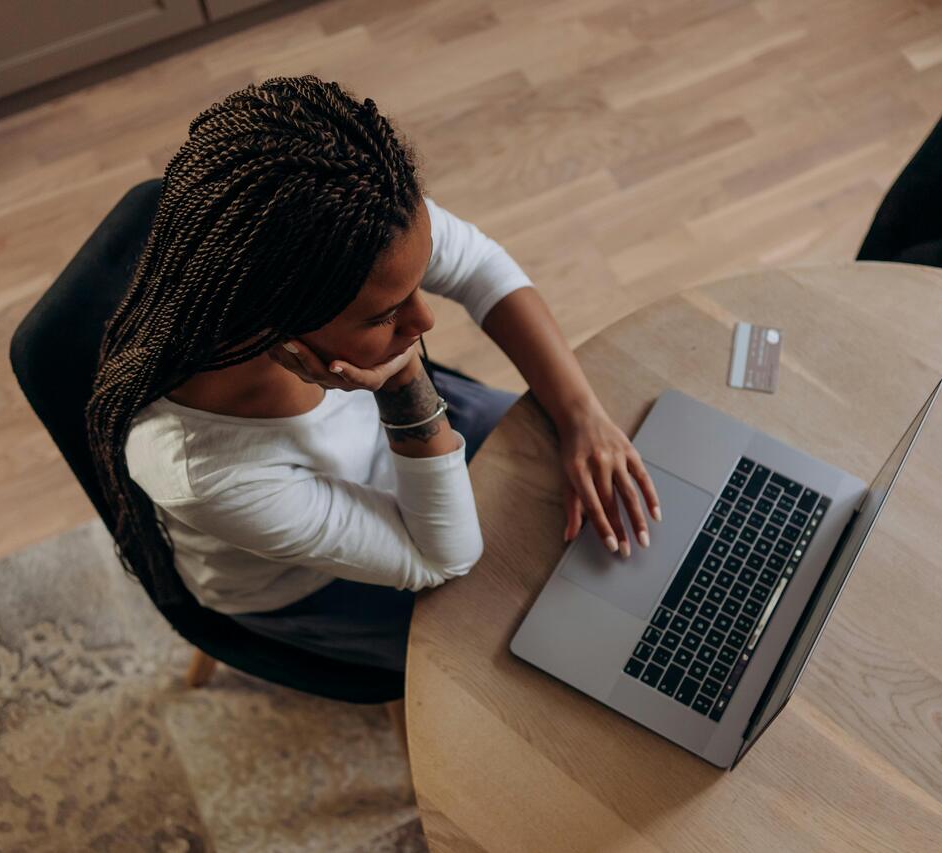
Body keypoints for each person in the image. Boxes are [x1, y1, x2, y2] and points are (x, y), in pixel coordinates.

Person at [86, 75, 662, 676]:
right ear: (277, 330)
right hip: (309, 581)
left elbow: (481, 265)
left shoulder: (353, 222)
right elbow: (443, 558)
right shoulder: (205, 471)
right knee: (528, 643)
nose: (426, 318)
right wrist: (402, 378)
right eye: (387, 315)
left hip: (402, 432)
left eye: (417, 282)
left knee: (611, 494)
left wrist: (582, 417)